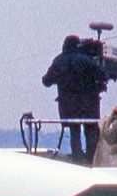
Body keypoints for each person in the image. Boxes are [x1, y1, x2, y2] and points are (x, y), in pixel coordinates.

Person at [42, 35, 107, 163]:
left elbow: (46, 81)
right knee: (90, 132)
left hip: (68, 107)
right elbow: (103, 75)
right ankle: (91, 160)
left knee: (74, 132)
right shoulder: (86, 60)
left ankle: (77, 160)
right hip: (89, 107)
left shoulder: (59, 61)